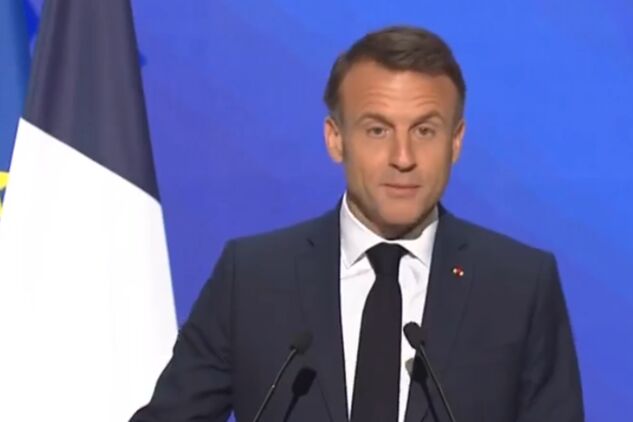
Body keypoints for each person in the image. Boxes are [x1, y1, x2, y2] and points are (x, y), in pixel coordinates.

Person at [132, 25, 584, 422]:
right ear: (336, 139)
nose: (403, 158)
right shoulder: (251, 278)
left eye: (424, 130)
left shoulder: (519, 285)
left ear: (456, 141)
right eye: (377, 130)